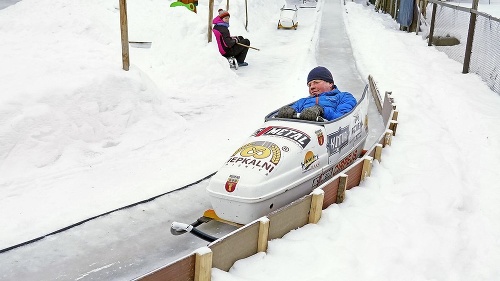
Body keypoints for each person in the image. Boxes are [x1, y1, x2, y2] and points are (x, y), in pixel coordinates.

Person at [276, 66, 357, 121]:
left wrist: (322, 111)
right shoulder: (303, 101)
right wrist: (287, 111)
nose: (312, 87)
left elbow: (344, 119)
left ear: (330, 83)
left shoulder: (344, 97)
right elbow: (294, 109)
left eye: (316, 82)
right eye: (309, 85)